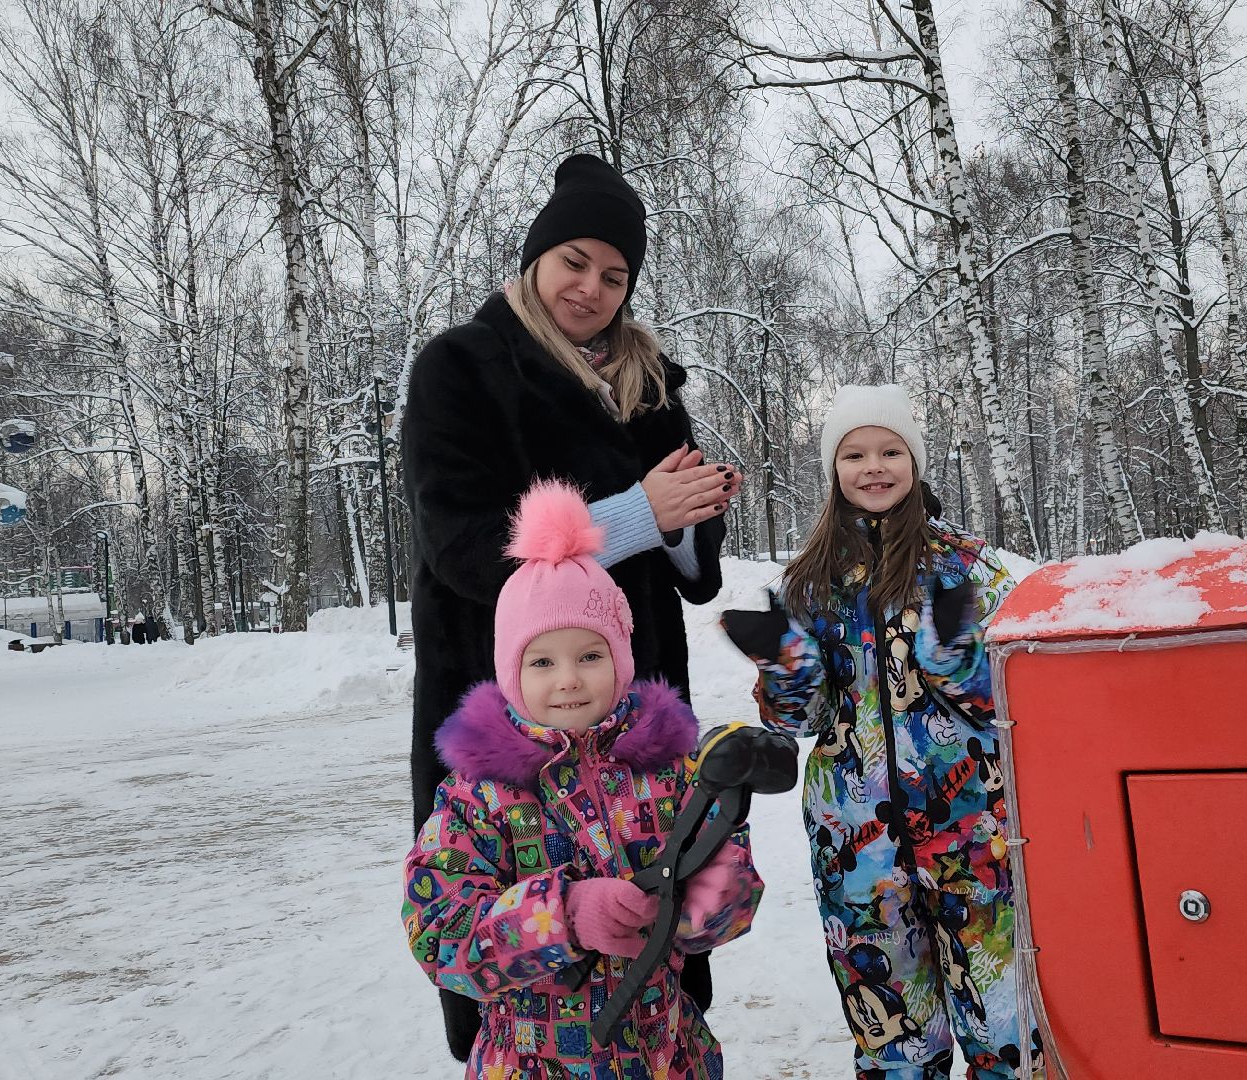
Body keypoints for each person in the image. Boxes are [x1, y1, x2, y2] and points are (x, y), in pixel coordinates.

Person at [400, 151, 738, 1059]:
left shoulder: (648, 380)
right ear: (535, 258)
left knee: (654, 939)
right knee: (523, 952)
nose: (592, 288)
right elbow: (461, 548)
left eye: (615, 274)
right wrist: (638, 513)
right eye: (573, 263)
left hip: (638, 716)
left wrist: (688, 514)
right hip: (511, 710)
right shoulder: (461, 369)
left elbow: (695, 573)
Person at [721, 385, 1039, 1079]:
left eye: (890, 450)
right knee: (893, 1036)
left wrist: (960, 668)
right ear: (834, 470)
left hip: (973, 839)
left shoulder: (967, 567)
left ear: (915, 462)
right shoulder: (810, 582)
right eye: (855, 453)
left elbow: (1021, 702)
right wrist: (785, 671)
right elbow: (794, 722)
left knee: (1006, 1025)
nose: (874, 466)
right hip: (856, 850)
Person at [403, 481, 762, 1077]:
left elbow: (729, 892)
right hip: (531, 1061)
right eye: (542, 661)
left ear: (621, 659)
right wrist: (564, 916)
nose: (568, 679)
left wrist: (711, 897)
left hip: (667, 1054)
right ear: (510, 670)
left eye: (590, 656)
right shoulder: (479, 795)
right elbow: (438, 932)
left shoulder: (670, 772)